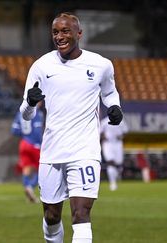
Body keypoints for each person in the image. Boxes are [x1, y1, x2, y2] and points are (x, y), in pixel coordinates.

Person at [20, 12, 123, 243]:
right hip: (52, 152)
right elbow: (25, 114)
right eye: (55, 32)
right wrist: (29, 102)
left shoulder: (101, 65)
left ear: (79, 33)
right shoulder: (41, 66)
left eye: (65, 31)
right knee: (51, 215)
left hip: (85, 151)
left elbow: (109, 92)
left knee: (81, 213)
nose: (60, 36)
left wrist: (114, 107)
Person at [11, 107, 44, 203]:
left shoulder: (19, 113)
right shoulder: (37, 113)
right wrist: (40, 143)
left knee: (27, 168)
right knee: (42, 169)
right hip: (34, 144)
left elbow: (14, 130)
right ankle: (30, 186)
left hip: (23, 143)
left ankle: (28, 190)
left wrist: (25, 135)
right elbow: (38, 131)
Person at [100, 116, 128, 191]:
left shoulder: (121, 121)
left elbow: (125, 131)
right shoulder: (104, 121)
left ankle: (117, 174)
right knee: (110, 162)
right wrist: (103, 137)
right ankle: (112, 183)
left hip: (118, 144)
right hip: (108, 144)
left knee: (118, 164)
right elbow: (100, 132)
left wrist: (121, 136)